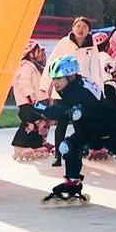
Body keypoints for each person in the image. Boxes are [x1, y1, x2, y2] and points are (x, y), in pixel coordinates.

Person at [38, 56, 116, 205]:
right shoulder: (70, 86)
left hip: (108, 130)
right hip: (87, 131)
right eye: (53, 79)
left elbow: (68, 112)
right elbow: (68, 110)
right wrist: (43, 110)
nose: (55, 83)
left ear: (71, 75)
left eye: (58, 79)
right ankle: (72, 182)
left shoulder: (82, 90)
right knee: (66, 147)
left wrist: (44, 110)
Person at [40, 16, 103, 167]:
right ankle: (57, 155)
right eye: (78, 26)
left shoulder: (92, 45)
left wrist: (98, 92)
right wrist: (44, 87)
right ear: (73, 28)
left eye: (84, 27)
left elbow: (95, 69)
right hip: (62, 89)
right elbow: (51, 64)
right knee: (61, 123)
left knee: (80, 124)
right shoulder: (64, 42)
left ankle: (77, 153)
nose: (81, 29)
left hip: (81, 90)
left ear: (89, 30)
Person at [11, 40, 53, 160]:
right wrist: (31, 97)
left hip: (38, 101)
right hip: (28, 102)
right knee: (31, 123)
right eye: (39, 51)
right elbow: (23, 83)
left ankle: (37, 144)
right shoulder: (26, 66)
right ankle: (20, 146)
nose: (42, 54)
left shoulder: (36, 67)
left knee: (43, 122)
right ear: (30, 54)